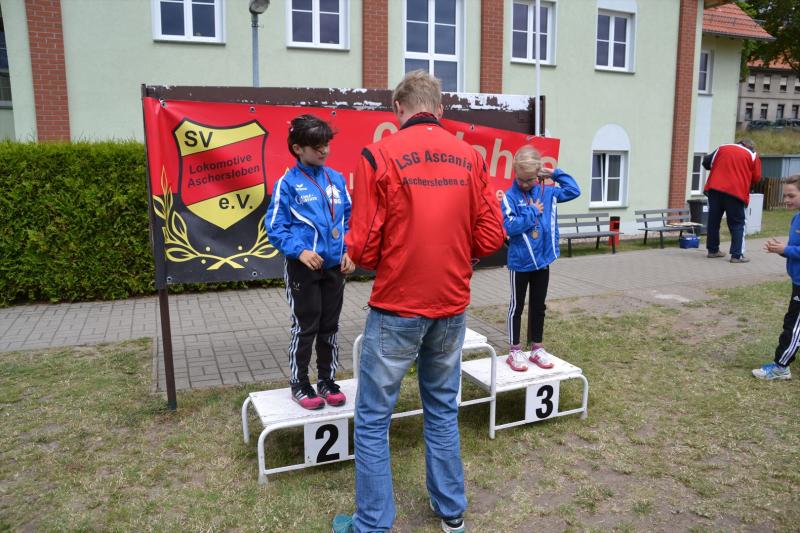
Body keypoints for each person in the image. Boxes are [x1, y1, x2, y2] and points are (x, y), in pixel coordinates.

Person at [331, 70, 505, 533]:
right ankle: (451, 512)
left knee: (373, 419)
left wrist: (395, 251)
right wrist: (455, 251)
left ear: (398, 109)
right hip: (450, 303)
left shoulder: (379, 153)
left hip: (397, 304)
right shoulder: (471, 157)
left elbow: (363, 245)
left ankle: (372, 523)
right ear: (440, 109)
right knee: (443, 408)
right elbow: (492, 234)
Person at [266, 114, 356, 410]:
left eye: (326, 144)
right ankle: (300, 384)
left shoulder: (337, 179)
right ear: (297, 148)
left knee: (330, 326)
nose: (324, 150)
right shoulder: (287, 184)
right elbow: (275, 227)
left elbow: (349, 220)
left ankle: (327, 380)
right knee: (306, 327)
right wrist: (300, 251)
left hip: (334, 268)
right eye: (317, 146)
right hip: (303, 269)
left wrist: (349, 250)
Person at [501, 146, 580, 371]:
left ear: (538, 174)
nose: (525, 184)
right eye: (521, 179)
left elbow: (574, 190)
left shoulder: (548, 192)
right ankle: (514, 350)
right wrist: (533, 211)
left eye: (530, 179)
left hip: (542, 260)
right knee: (516, 307)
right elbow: (510, 227)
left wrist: (555, 173)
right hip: (520, 262)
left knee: (539, 306)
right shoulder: (509, 196)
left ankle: (537, 348)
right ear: (515, 173)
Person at [755, 174, 800, 380]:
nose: (786, 200)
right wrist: (781, 250)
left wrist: (786, 249)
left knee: (793, 325)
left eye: (791, 195)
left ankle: (781, 368)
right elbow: (794, 249)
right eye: (785, 196)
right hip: (796, 280)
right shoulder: (796, 218)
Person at [702, 138, 762, 263]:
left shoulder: (722, 148)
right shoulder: (752, 155)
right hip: (736, 193)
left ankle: (712, 251)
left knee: (713, 222)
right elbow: (756, 177)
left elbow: (706, 162)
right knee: (737, 224)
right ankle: (736, 255)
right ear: (749, 146)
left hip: (714, 190)